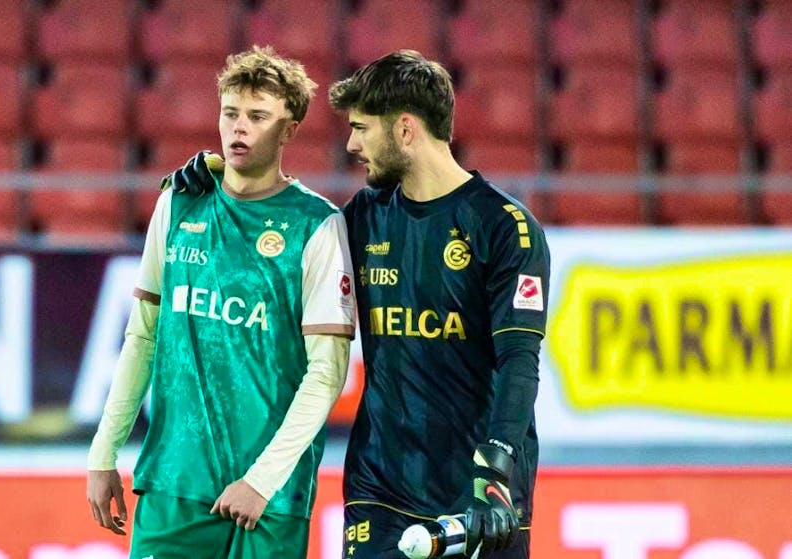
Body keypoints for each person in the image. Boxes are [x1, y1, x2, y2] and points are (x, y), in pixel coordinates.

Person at [167, 50, 550, 559]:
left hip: (479, 494)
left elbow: (520, 363)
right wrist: (216, 182)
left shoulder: (505, 228)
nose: (351, 144)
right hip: (379, 491)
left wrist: (496, 473)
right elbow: (281, 230)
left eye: (362, 128)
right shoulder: (362, 217)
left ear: (406, 131)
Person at [86, 45, 357, 559]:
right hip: (175, 480)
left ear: (290, 129)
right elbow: (142, 335)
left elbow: (326, 374)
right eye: (231, 113)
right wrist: (103, 453)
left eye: (258, 117)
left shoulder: (316, 226)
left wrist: (262, 480)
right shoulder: (178, 202)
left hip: (270, 498)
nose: (239, 128)